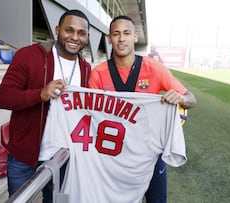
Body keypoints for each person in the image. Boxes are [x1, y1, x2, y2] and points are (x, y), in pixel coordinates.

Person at [88, 15, 196, 203]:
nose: (121, 39)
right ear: (109, 38)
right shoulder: (98, 73)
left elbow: (191, 99)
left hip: (150, 153)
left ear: (135, 37)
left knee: (156, 200)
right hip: (113, 156)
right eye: (116, 34)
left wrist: (181, 98)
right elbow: (90, 116)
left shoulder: (153, 68)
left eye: (126, 33)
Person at [0, 9, 91, 202]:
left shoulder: (86, 68)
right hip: (24, 157)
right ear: (57, 30)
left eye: (81, 33)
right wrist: (39, 94)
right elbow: (3, 97)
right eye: (69, 30)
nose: (74, 37)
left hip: (64, 158)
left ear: (87, 37)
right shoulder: (29, 55)